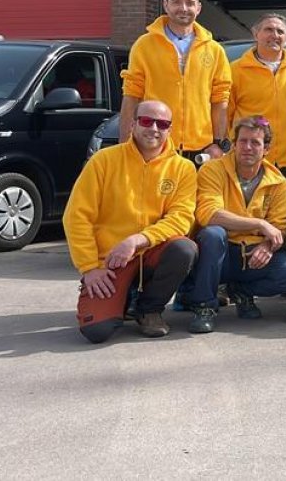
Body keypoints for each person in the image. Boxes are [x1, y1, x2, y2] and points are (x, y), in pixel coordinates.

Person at [63, 100, 198, 342]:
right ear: (134, 124)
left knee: (184, 248)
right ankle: (122, 299)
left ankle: (149, 309)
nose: (154, 128)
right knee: (97, 331)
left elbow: (181, 219)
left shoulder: (183, 168)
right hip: (111, 259)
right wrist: (90, 268)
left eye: (162, 123)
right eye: (147, 121)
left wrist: (138, 240)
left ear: (170, 129)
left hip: (151, 250)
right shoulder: (103, 161)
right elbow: (76, 216)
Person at [185, 116, 286, 333]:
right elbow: (208, 214)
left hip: (252, 256)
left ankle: (241, 291)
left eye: (255, 142)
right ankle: (204, 307)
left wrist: (268, 246)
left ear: (266, 148)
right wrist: (260, 224)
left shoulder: (277, 181)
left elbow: (280, 227)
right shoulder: (213, 170)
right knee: (213, 234)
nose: (247, 147)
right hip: (218, 255)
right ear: (234, 144)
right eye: (242, 141)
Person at [120, 0, 233, 162]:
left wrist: (218, 143)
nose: (183, 8)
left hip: (201, 150)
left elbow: (220, 99)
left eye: (189, 3)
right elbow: (132, 95)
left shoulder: (215, 50)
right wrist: (125, 143)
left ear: (198, 8)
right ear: (166, 6)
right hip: (155, 145)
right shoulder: (144, 45)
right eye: (176, 2)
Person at [228, 13, 286, 179]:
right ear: (256, 34)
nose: (275, 35)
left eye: (280, 31)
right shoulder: (236, 71)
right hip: (250, 158)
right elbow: (228, 114)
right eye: (268, 29)